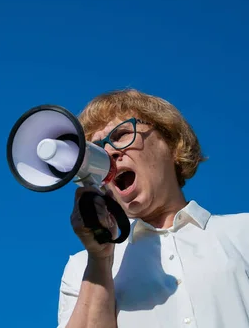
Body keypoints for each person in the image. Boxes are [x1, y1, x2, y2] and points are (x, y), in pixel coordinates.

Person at [57, 88, 249, 328]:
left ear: (171, 144)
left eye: (121, 134)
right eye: (97, 149)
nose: (109, 153)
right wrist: (100, 259)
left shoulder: (243, 232)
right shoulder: (81, 268)